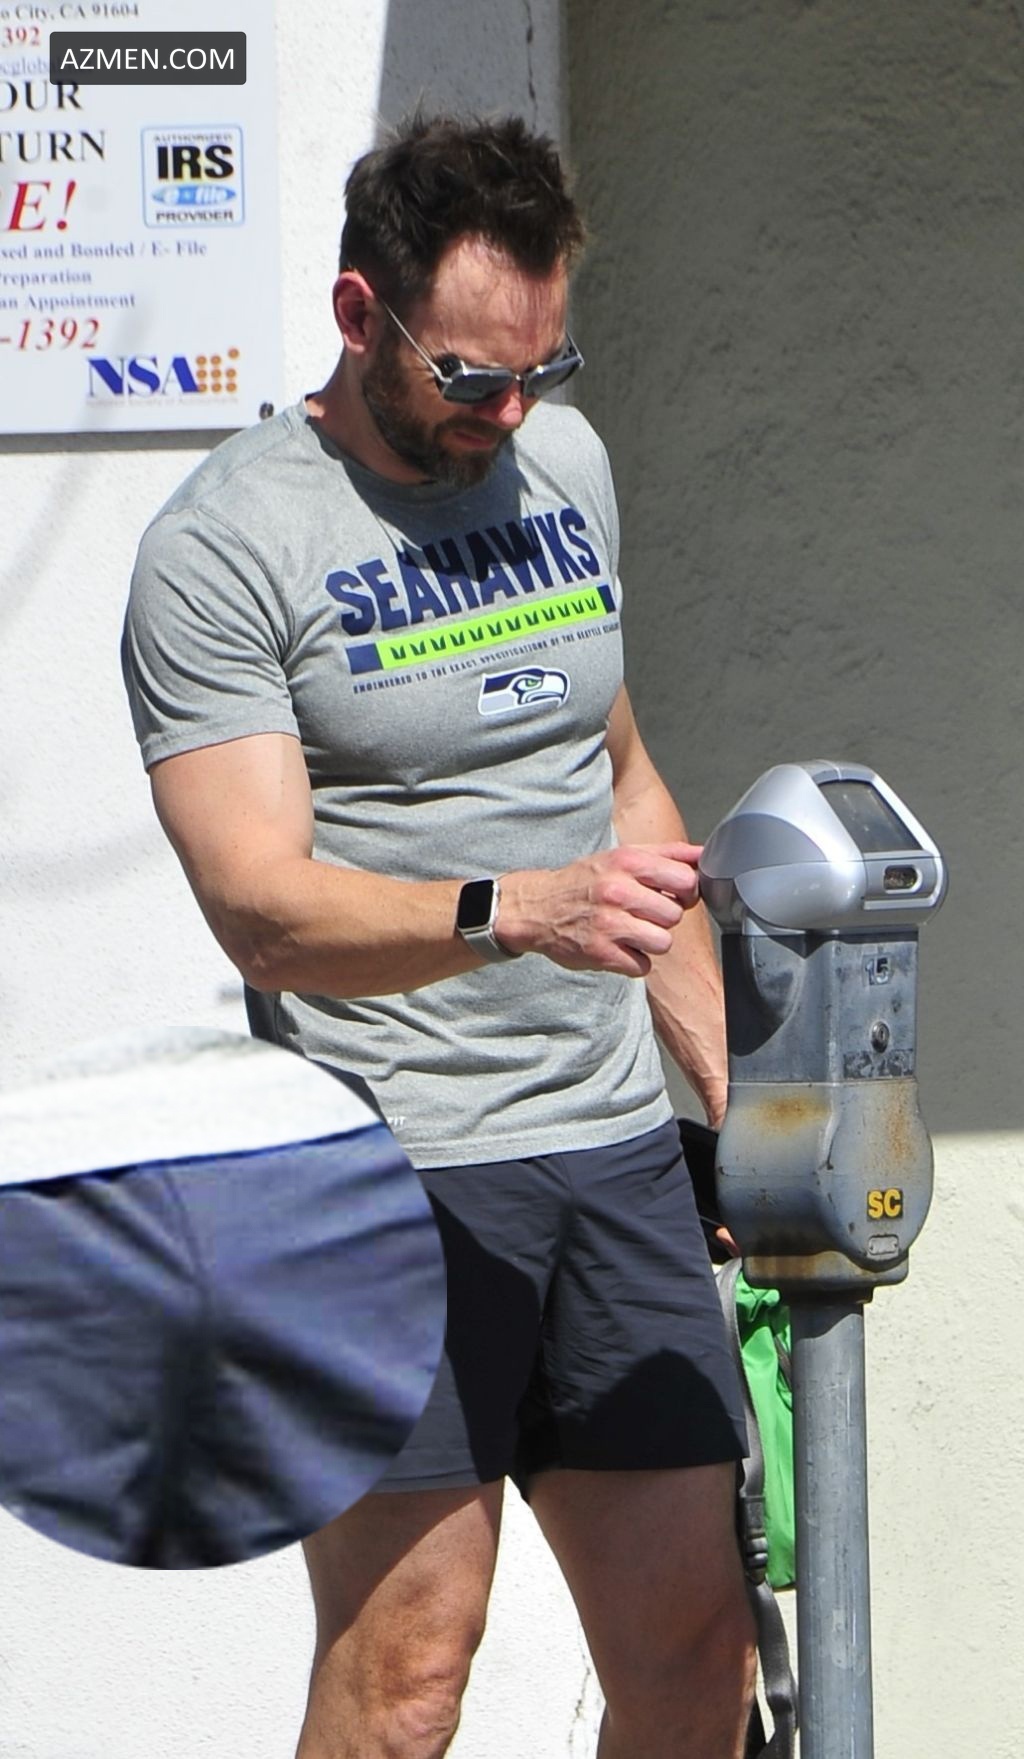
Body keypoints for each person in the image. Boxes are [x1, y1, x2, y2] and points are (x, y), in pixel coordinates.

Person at [123, 111, 756, 1757]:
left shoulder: (565, 466)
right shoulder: (227, 547)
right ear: (361, 315)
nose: (510, 413)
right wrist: (516, 910)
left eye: (543, 369)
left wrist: (729, 1092)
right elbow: (264, 911)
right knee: (408, 1674)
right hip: (384, 1173)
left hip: (610, 1153)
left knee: (698, 1658)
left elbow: (618, 778)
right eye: (472, 376)